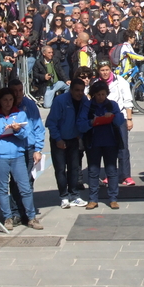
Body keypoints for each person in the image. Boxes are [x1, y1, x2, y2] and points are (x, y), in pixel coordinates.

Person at [0, 88, 42, 230]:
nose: (8, 103)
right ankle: (8, 218)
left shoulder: (20, 114)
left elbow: (26, 135)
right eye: (5, 100)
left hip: (17, 155)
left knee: (25, 188)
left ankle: (31, 217)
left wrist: (17, 130)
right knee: (3, 189)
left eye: (10, 100)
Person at [76, 80, 125, 210]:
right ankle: (93, 199)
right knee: (93, 171)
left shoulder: (112, 105)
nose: (101, 97)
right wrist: (92, 122)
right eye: (98, 95)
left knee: (111, 170)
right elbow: (80, 124)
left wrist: (113, 116)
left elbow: (120, 120)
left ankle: (113, 198)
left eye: (103, 94)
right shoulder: (88, 106)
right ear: (93, 95)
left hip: (110, 142)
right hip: (93, 143)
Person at [46, 79, 88, 208]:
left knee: (74, 169)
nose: (79, 93)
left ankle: (74, 195)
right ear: (71, 90)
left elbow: (85, 118)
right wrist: (58, 139)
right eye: (77, 90)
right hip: (59, 139)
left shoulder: (84, 101)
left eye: (82, 90)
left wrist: (79, 135)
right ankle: (64, 196)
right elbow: (51, 123)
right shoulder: (60, 101)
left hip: (74, 139)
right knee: (60, 170)